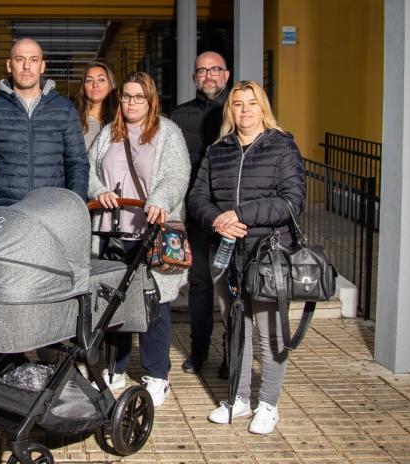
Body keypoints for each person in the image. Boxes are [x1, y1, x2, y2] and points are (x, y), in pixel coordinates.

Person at [187, 80, 306, 434]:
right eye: (237, 104)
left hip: (267, 254)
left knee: (270, 334)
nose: (244, 110)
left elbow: (291, 201)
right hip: (226, 254)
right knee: (236, 328)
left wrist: (241, 214)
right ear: (230, 110)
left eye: (252, 103)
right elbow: (197, 198)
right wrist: (216, 220)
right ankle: (238, 400)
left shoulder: (282, 147)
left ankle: (268, 404)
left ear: (263, 107)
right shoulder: (217, 150)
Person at [88, 71, 190, 407]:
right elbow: (89, 170)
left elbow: (177, 173)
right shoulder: (108, 133)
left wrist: (160, 199)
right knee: (112, 304)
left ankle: (157, 374)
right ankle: (115, 368)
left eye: (139, 97)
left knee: (153, 307)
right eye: (127, 96)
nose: (131, 103)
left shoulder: (167, 132)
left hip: (151, 233)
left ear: (151, 100)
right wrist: (99, 190)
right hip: (113, 233)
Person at [0, 37, 89, 222]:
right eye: (19, 59)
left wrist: (71, 215)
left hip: (52, 217)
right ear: (9, 65)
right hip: (6, 217)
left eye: (33, 60)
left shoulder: (64, 109)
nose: (26, 66)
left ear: (42, 66)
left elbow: (78, 165)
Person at [169, 50, 232, 378]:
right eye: (202, 71)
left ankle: (231, 354)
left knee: (231, 286)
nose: (208, 76)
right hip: (195, 214)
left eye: (215, 70)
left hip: (231, 216)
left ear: (226, 74)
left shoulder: (240, 111)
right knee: (199, 284)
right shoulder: (179, 116)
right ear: (194, 77)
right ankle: (199, 350)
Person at [74, 61, 118, 151]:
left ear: (110, 84)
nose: (95, 85)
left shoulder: (120, 120)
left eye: (101, 80)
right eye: (89, 80)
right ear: (83, 87)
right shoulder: (73, 119)